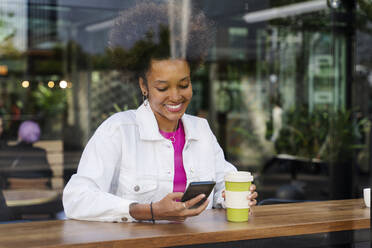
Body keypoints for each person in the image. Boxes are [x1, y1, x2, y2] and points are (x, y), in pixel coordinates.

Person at [63, 1, 257, 223]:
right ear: (143, 86)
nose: (175, 96)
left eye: (183, 85)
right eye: (162, 88)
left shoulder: (200, 130)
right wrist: (148, 210)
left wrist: (236, 195)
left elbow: (224, 181)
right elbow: (76, 199)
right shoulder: (118, 130)